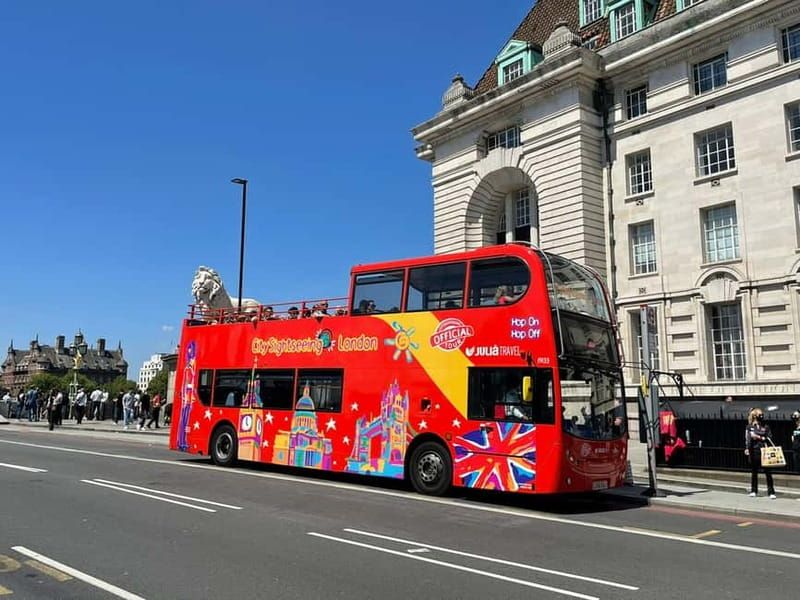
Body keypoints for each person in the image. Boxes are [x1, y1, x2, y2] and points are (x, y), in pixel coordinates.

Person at [745, 408, 776, 499]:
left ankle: (771, 492)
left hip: (765, 451)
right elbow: (747, 438)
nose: (761, 416)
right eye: (759, 414)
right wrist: (747, 448)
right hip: (754, 451)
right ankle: (754, 490)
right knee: (754, 472)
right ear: (755, 416)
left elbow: (769, 437)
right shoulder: (750, 427)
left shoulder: (765, 427)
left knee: (768, 472)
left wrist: (758, 437)